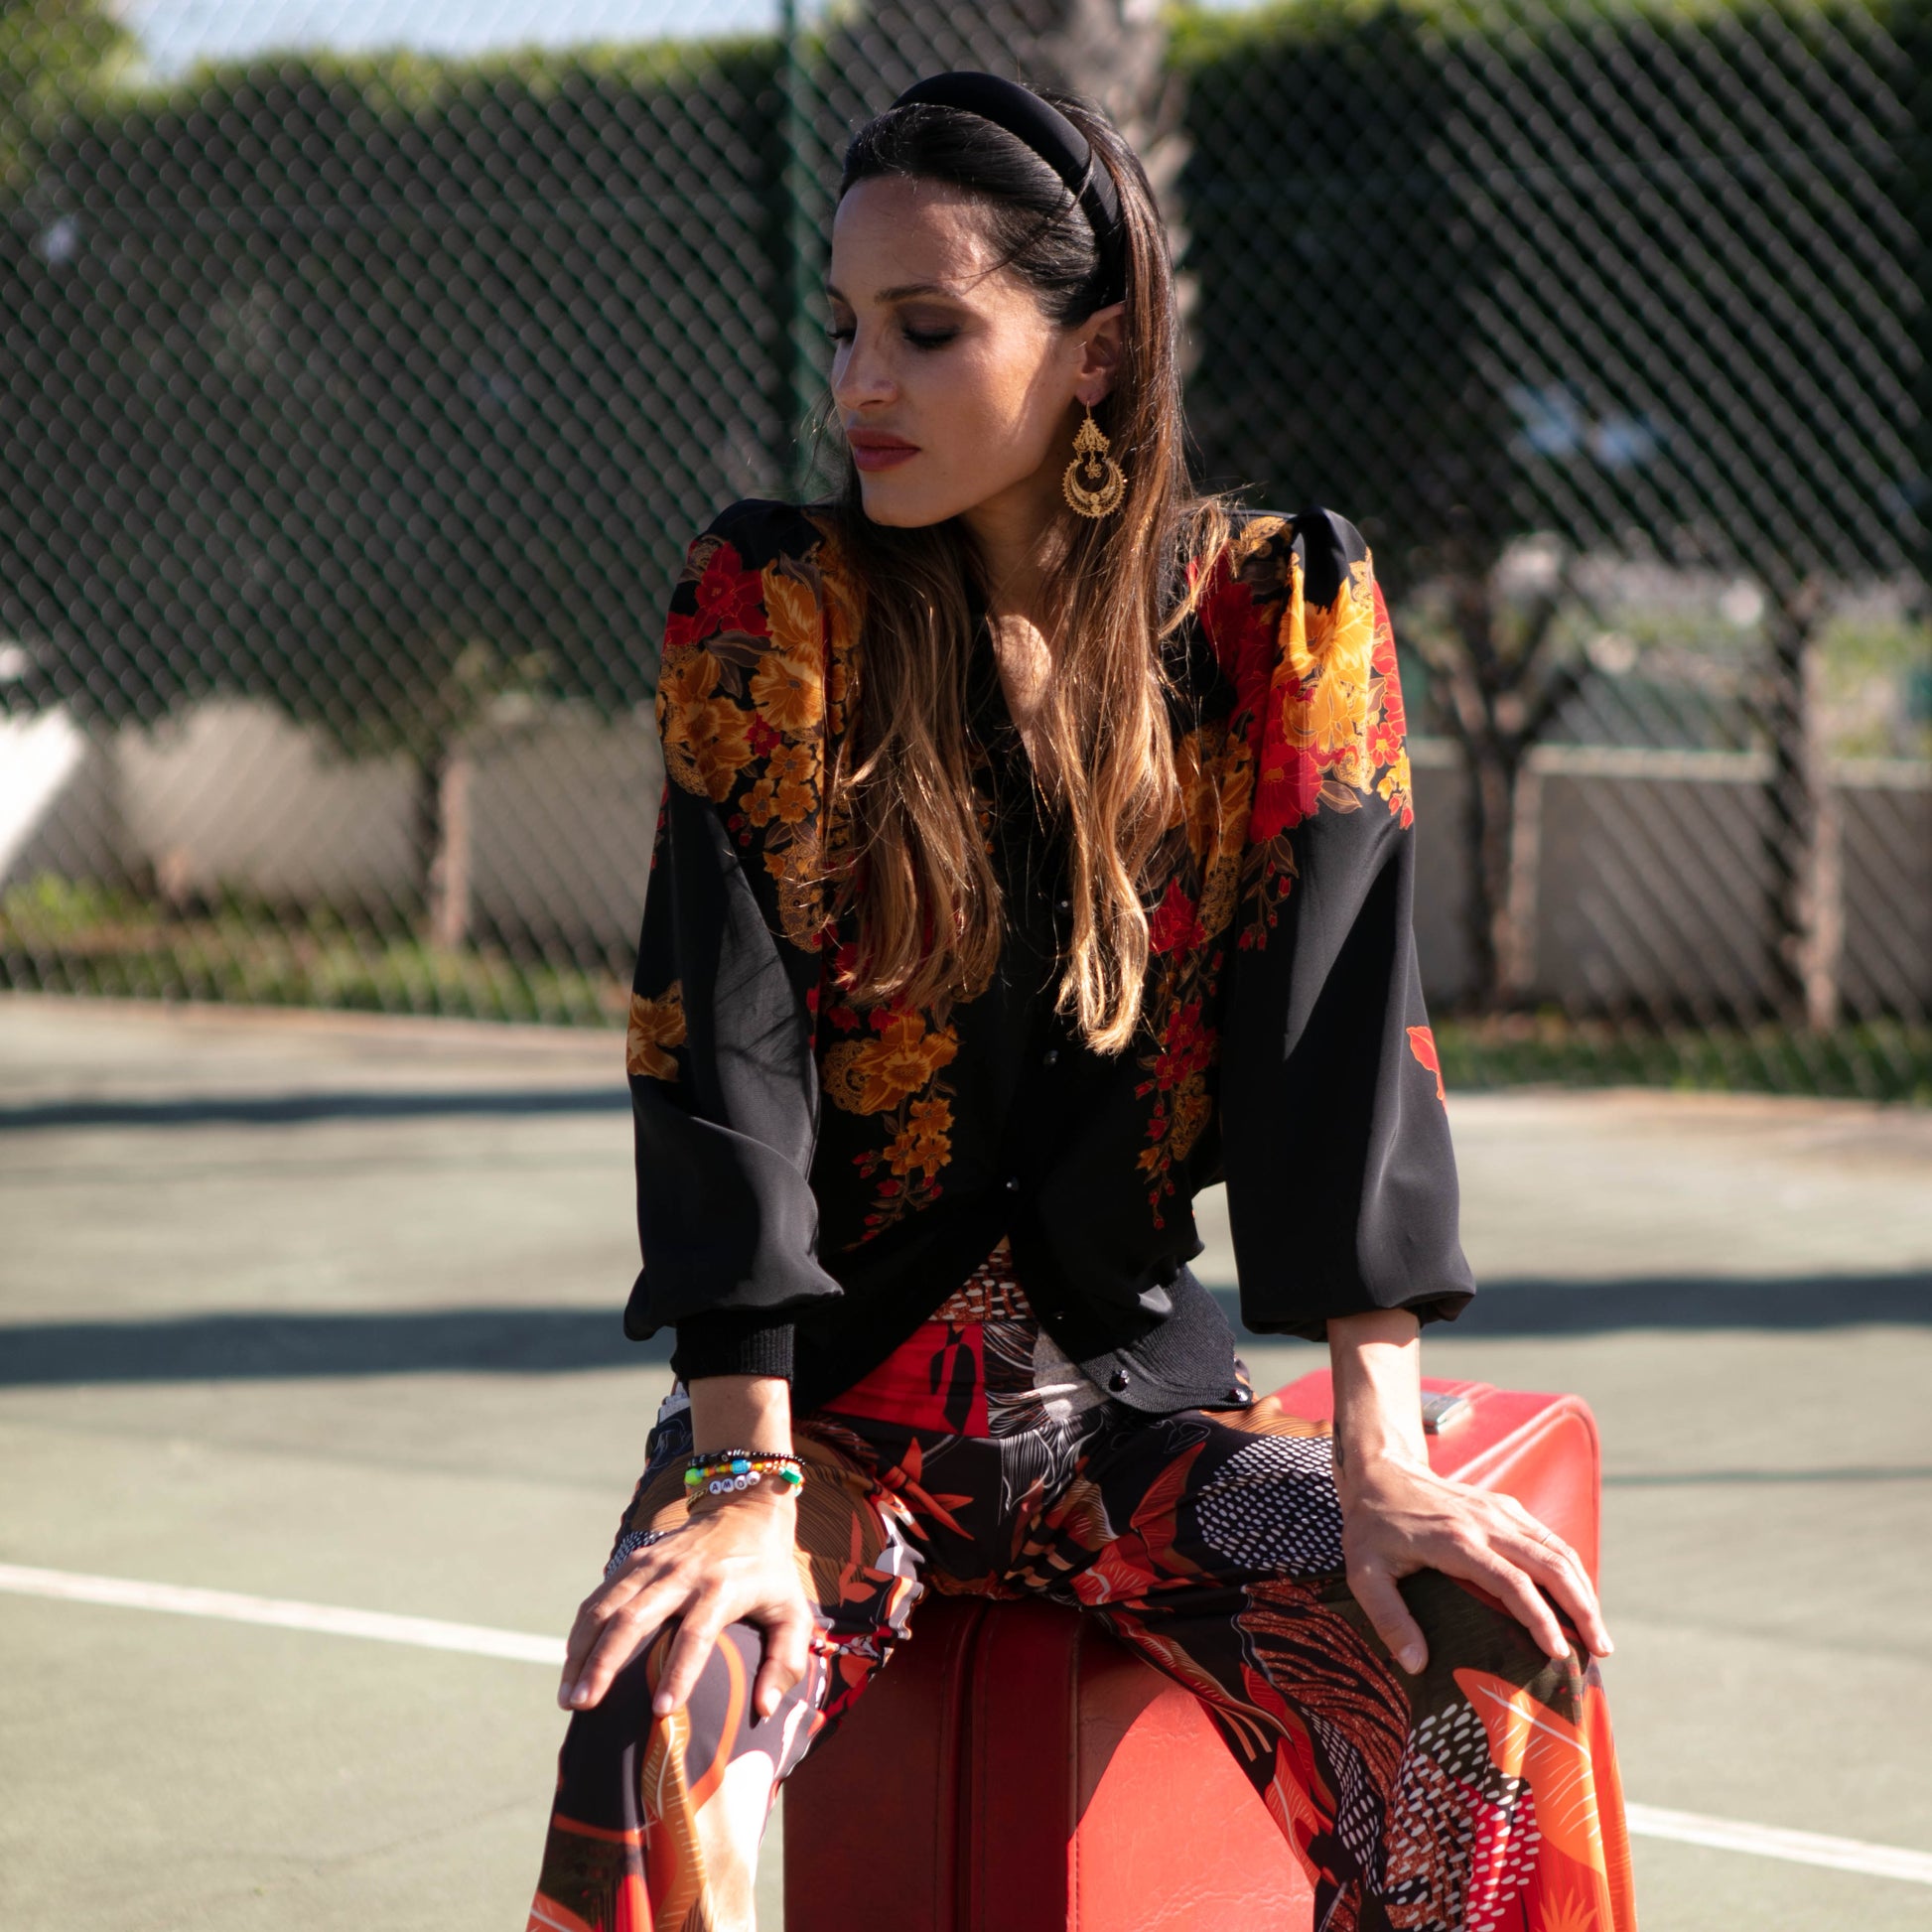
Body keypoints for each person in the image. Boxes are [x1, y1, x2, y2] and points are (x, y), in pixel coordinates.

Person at [526, 69, 1635, 1932]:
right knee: (661, 1702)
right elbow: (718, 1039)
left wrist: (1377, 1454)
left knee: (1476, 1637)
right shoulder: (772, 607)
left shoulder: (1278, 616)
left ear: (1097, 350)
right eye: (844, 327)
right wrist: (733, 1472)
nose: (859, 383)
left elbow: (1340, 1041)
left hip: (1126, 1424)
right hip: (818, 1433)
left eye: (927, 328)